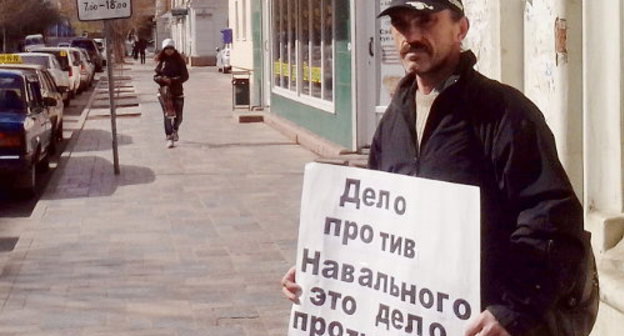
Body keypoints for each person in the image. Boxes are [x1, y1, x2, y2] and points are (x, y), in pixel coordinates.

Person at [282, 1, 597, 335]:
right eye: (401, 23)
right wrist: (325, 270)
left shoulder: (504, 113)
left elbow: (550, 219)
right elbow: (374, 226)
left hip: (485, 324)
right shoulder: (394, 119)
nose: (412, 35)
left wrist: (511, 309)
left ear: (460, 29)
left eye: (426, 20)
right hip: (415, 320)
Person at [154, 38, 189, 148]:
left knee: (179, 117)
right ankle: (169, 136)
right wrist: (163, 80)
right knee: (168, 115)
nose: (169, 51)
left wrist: (173, 80)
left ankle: (175, 130)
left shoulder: (180, 61)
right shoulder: (161, 61)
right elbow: (155, 76)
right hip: (164, 93)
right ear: (163, 50)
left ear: (174, 49)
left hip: (177, 91)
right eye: (167, 49)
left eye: (171, 48)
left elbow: (185, 76)